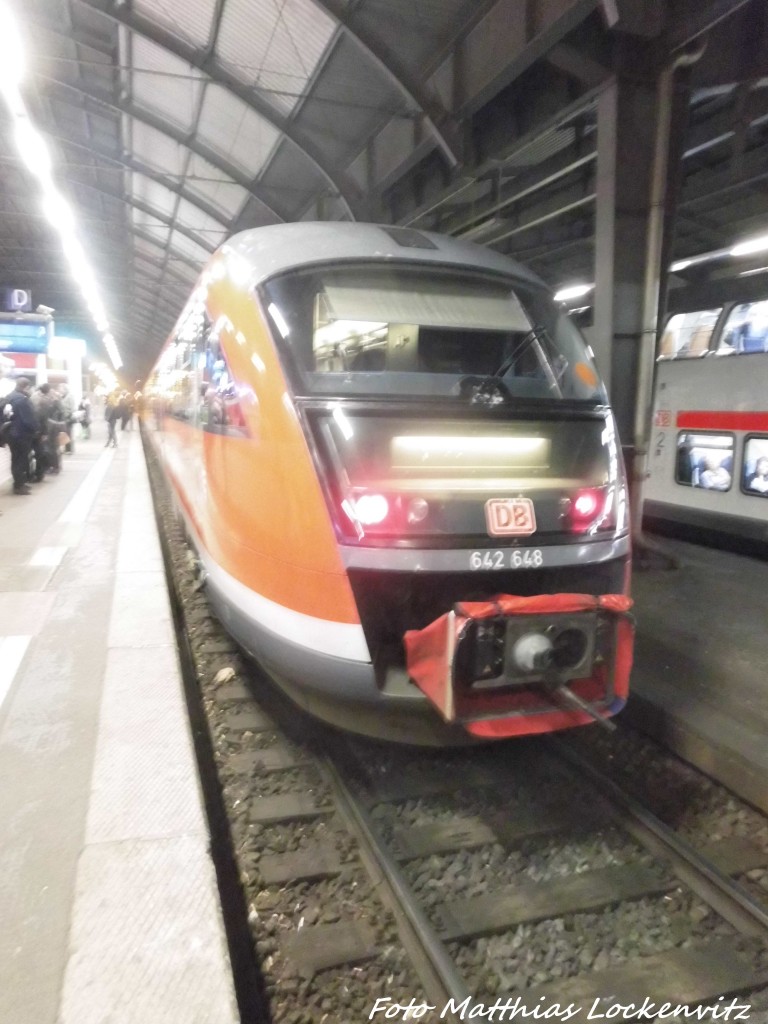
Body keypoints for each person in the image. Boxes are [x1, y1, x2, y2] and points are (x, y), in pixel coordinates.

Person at [4, 377, 38, 494]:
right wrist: (36, 429)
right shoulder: (22, 400)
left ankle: (18, 483)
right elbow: (28, 420)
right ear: (26, 387)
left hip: (10, 433)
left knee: (15, 459)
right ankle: (19, 485)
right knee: (21, 459)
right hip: (21, 434)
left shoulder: (9, 397)